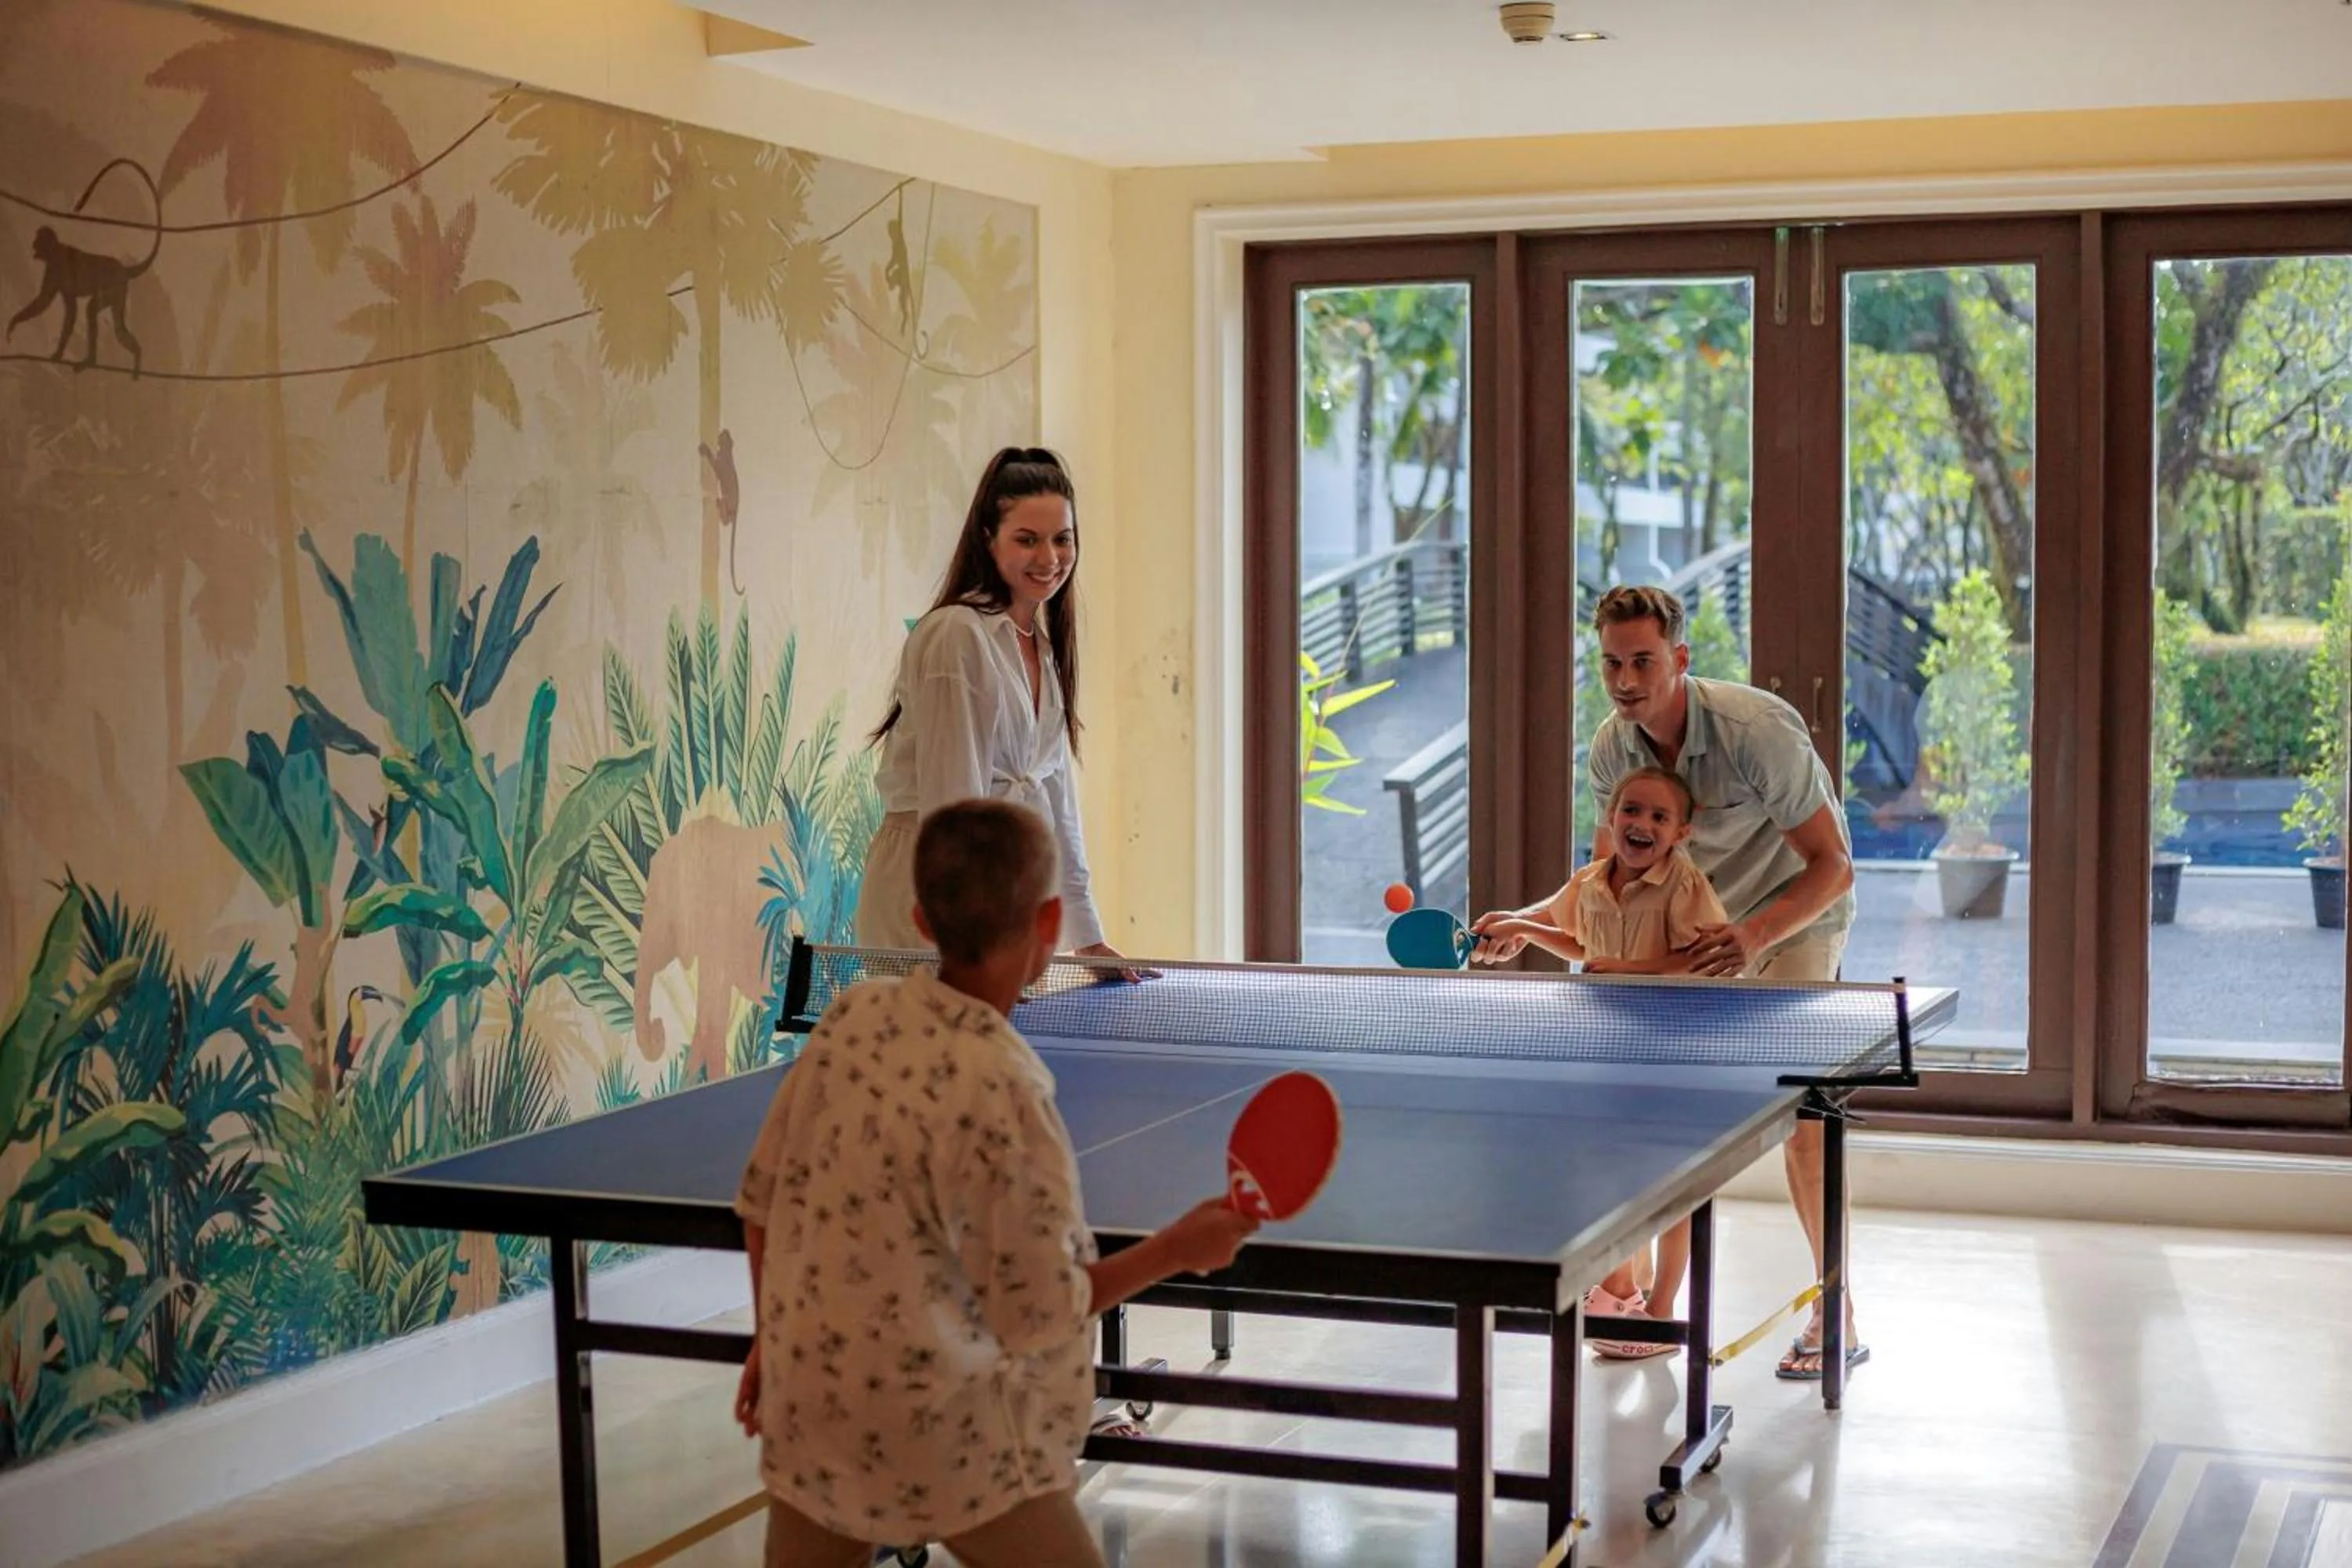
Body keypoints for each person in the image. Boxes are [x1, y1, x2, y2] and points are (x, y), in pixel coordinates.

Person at [733, 798, 1258, 1567]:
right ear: (1050, 927)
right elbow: (1042, 1310)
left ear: (919, 917)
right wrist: (1180, 1246)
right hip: (950, 1435)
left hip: (816, 1408)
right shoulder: (1006, 1082)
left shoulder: (850, 1016)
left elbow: (761, 1202)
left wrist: (774, 1341)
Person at [1482, 585, 1860, 1381]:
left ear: (1680, 659)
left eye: (1643, 661)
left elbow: (1833, 865)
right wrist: (1523, 924)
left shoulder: (1756, 731)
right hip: (1686, 926)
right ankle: (1631, 1290)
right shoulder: (1611, 748)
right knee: (1640, 1095)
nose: (1625, 678)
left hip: (1787, 913)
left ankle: (1838, 1308)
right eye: (1613, 662)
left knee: (1803, 1118)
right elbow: (1600, 886)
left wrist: (1752, 936)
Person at [1471, 766, 1730, 1358]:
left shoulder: (1683, 887)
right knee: (1617, 1177)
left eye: (1659, 817)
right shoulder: (1588, 882)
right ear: (1611, 819)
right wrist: (1522, 927)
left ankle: (1662, 1317)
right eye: (1631, 811)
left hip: (1673, 1055)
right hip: (1611, 1056)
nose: (1642, 824)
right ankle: (1621, 1293)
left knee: (1675, 1192)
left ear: (1682, 833)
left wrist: (1630, 972)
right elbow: (1584, 948)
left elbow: (1704, 960)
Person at [860, 446, 1134, 970]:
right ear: (989, 540)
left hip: (997, 889)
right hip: (933, 888)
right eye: (1027, 540)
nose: (1049, 558)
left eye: (1062, 539)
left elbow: (1057, 802)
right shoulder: (956, 637)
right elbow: (952, 809)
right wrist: (969, 929)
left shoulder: (1042, 648)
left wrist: (1088, 936)